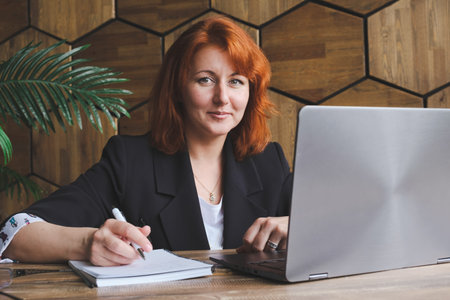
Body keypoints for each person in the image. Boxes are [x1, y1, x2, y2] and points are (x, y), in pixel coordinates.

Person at [0, 16, 292, 266]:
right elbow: (14, 233)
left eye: (236, 81)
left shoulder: (270, 162)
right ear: (178, 89)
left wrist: (300, 227)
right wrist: (87, 242)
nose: (222, 98)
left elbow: (333, 224)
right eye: (205, 79)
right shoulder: (129, 161)